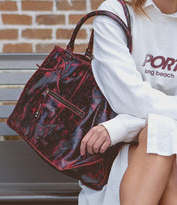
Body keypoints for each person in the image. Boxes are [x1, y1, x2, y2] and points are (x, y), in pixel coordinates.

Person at [79, 0, 177, 204]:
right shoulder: (116, 12)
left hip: (158, 143)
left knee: (163, 132)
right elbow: (130, 99)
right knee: (163, 134)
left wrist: (122, 126)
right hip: (117, 152)